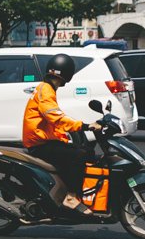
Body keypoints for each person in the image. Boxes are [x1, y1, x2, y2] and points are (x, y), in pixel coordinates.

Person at [23, 52, 100, 214]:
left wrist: (66, 136)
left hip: (43, 140)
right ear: (66, 74)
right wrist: (84, 125)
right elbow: (55, 117)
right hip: (39, 144)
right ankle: (71, 196)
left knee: (84, 151)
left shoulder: (47, 88)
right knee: (77, 156)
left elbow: (51, 122)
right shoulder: (46, 90)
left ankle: (66, 191)